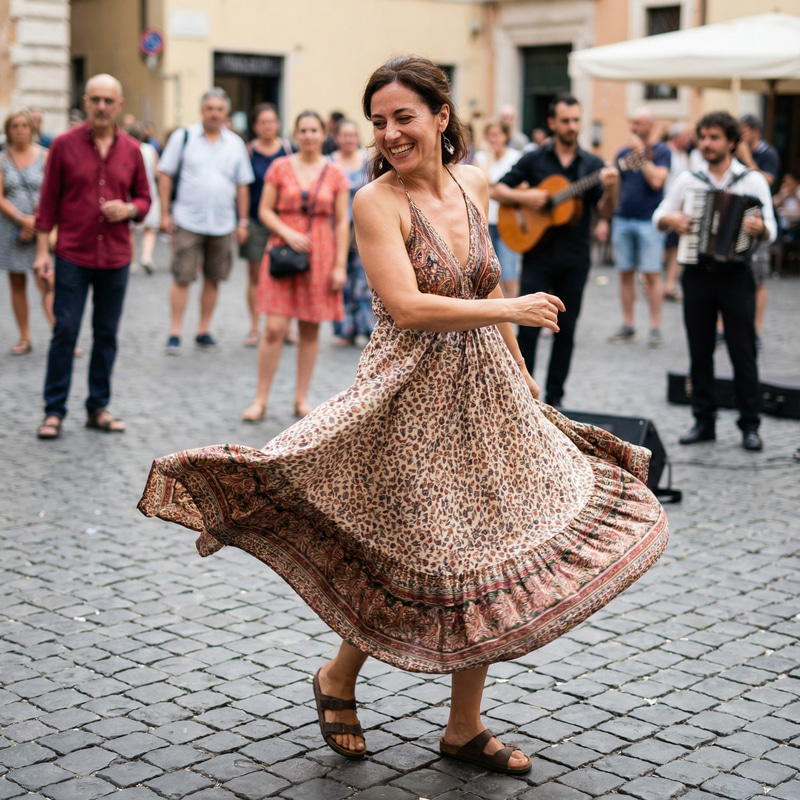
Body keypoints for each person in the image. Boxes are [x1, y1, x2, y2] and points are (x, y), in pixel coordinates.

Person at [139, 56, 668, 775]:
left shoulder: (474, 182)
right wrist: (511, 309)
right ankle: (338, 676)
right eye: (379, 121)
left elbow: (488, 283)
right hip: (408, 399)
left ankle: (463, 728)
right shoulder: (374, 202)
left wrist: (521, 376)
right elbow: (409, 307)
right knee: (417, 553)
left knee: (485, 552)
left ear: (441, 117)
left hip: (487, 397)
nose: (389, 133)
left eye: (403, 117)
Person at [33, 74, 150, 439]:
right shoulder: (63, 145)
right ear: (85, 102)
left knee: (106, 334)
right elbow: (48, 201)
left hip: (115, 257)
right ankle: (54, 411)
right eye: (95, 99)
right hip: (73, 253)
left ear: (119, 105)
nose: (101, 106)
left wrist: (129, 209)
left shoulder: (132, 150)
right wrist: (42, 251)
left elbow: (145, 200)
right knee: (65, 331)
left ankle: (98, 407)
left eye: (108, 100)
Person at [653, 111, 776, 452]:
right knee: (700, 349)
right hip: (697, 274)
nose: (706, 144)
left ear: (732, 142)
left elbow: (772, 227)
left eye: (714, 138)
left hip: (737, 275)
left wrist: (760, 228)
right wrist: (672, 220)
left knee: (743, 350)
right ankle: (703, 421)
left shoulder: (752, 181)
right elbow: (658, 216)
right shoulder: (688, 180)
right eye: (703, 137)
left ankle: (750, 424)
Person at [491, 92, 618, 408]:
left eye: (576, 120)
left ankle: (556, 401)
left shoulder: (592, 165)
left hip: (575, 258)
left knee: (566, 330)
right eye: (565, 120)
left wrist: (611, 188)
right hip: (537, 255)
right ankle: (524, 398)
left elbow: (604, 210)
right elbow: (497, 189)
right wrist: (527, 198)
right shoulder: (535, 159)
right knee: (529, 328)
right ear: (552, 123)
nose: (572, 126)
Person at [240, 110, 349, 421]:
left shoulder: (335, 172)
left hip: (321, 252)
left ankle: (301, 398)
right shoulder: (280, 166)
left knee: (310, 329)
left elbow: (342, 221)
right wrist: (287, 232)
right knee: (274, 328)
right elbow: (265, 210)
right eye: (303, 130)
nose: (309, 135)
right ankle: (260, 399)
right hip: (283, 250)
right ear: (295, 133)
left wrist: (340, 265)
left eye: (314, 130)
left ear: (323, 134)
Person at [159, 88, 254, 353]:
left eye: (219, 109)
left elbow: (242, 185)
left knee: (214, 277)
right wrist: (165, 213)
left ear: (226, 112)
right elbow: (165, 174)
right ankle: (175, 331)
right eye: (210, 108)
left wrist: (243, 221)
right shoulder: (183, 137)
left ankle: (203, 330)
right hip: (188, 220)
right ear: (202, 110)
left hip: (222, 223)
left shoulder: (235, 144)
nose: (214, 113)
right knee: (182, 276)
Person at [609, 107, 671, 347]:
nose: (633, 127)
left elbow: (657, 181)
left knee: (652, 274)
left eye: (638, 123)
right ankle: (628, 325)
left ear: (651, 126)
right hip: (623, 218)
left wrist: (641, 154)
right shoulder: (622, 152)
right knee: (625, 273)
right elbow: (616, 187)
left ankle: (655, 327)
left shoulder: (662, 151)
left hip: (649, 221)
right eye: (632, 122)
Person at [241, 103, 293, 347]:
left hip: (286, 221)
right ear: (255, 126)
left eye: (271, 122)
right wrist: (241, 221)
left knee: (288, 273)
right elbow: (242, 187)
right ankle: (255, 327)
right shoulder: (249, 151)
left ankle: (287, 327)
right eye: (263, 122)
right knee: (255, 277)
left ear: (278, 124)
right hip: (256, 220)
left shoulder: (288, 149)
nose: (268, 126)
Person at [0, 110, 52, 355]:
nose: (20, 130)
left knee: (46, 281)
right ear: (8, 130)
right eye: (15, 126)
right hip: (12, 228)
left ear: (32, 129)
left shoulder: (45, 156)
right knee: (17, 282)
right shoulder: (2, 159)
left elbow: (54, 191)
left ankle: (60, 333)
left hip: (42, 227)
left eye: (24, 125)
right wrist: (21, 220)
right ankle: (25, 336)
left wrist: (37, 222)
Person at [329, 118, 375, 345]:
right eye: (344, 135)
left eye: (352, 135)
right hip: (336, 228)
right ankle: (345, 330)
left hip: (364, 228)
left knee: (364, 280)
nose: (348, 139)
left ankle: (368, 327)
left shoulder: (368, 161)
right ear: (337, 138)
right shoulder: (329, 163)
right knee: (341, 280)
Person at [737, 114, 780, 348]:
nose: (740, 135)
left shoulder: (768, 154)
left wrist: (747, 159)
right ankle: (724, 329)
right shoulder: (735, 152)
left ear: (755, 131)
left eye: (743, 130)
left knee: (758, 279)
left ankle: (755, 331)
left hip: (761, 221)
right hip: (737, 219)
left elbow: (767, 181)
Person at [473, 120, 522, 299]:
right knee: (490, 275)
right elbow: (478, 185)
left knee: (509, 273)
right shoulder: (481, 158)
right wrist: (490, 158)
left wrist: (493, 188)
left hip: (508, 221)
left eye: (496, 135)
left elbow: (521, 187)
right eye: (489, 135)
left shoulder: (515, 157)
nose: (493, 139)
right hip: (486, 222)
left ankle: (514, 311)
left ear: (505, 136)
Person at [662, 122, 693, 302]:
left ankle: (669, 285)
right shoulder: (666, 153)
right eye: (688, 135)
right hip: (666, 209)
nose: (690, 139)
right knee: (664, 249)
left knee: (675, 248)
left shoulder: (684, 156)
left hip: (680, 210)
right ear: (677, 136)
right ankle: (649, 279)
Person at [126, 122, 161, 274]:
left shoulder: (126, 148)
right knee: (150, 228)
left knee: (130, 230)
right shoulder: (150, 150)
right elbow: (158, 172)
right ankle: (146, 257)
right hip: (149, 190)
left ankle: (131, 261)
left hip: (130, 191)